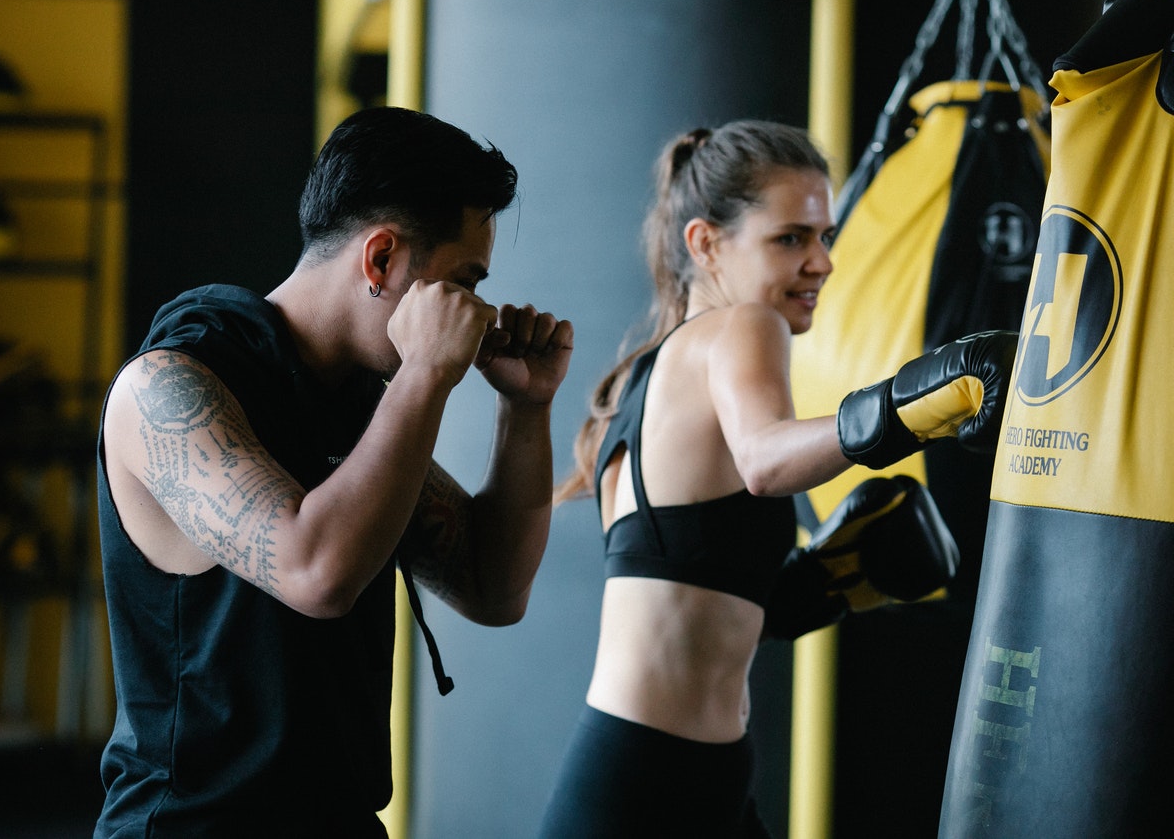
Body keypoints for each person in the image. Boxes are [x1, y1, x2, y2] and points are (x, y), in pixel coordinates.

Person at [94, 106, 574, 838]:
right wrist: (428, 374)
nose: (475, 312)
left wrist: (526, 408)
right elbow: (315, 573)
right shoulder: (169, 387)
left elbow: (493, 586)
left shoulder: (354, 407)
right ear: (381, 259)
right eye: (463, 282)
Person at [537, 120, 1014, 837]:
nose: (821, 262)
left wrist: (827, 580)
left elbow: (686, 602)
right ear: (706, 244)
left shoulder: (647, 379)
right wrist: (915, 406)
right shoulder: (741, 328)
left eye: (825, 236)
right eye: (791, 238)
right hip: (650, 787)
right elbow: (765, 460)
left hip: (677, 775)